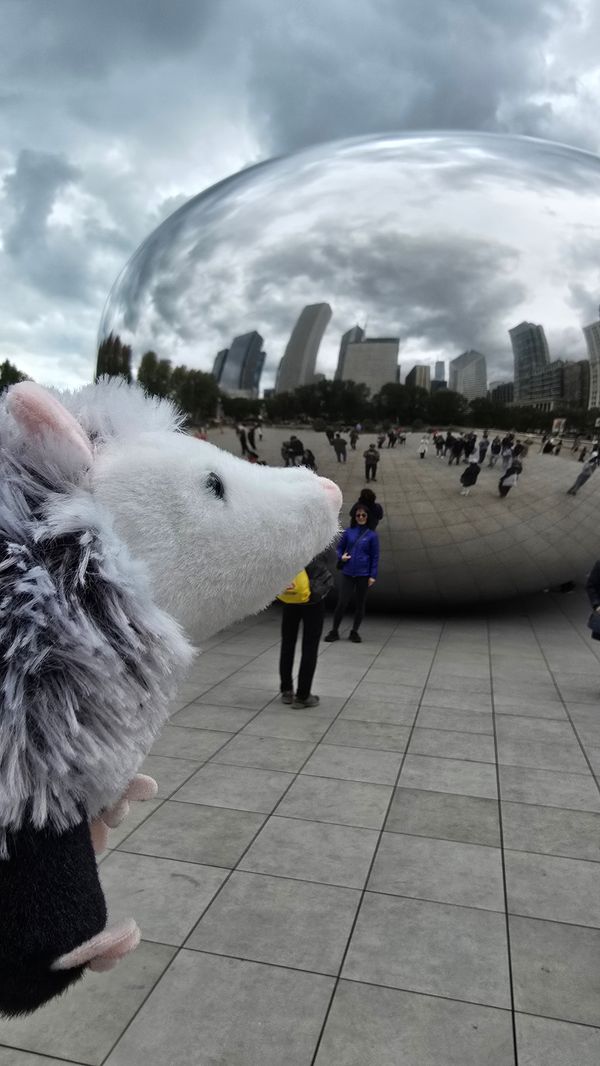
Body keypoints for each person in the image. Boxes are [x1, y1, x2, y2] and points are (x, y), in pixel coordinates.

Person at [277, 551, 334, 708]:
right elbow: (330, 561)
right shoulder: (321, 541)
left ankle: (287, 691)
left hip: (291, 596)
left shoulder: (289, 541)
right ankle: (303, 696)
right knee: (310, 646)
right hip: (313, 601)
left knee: (287, 644)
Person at [324, 508, 379, 643]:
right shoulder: (348, 532)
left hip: (363, 574)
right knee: (342, 602)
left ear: (367, 517)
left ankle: (354, 632)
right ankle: (334, 631)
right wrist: (341, 556)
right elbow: (339, 548)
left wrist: (373, 575)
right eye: (358, 515)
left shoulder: (372, 536)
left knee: (360, 604)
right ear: (355, 517)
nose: (360, 517)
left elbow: (375, 556)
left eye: (363, 515)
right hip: (348, 573)